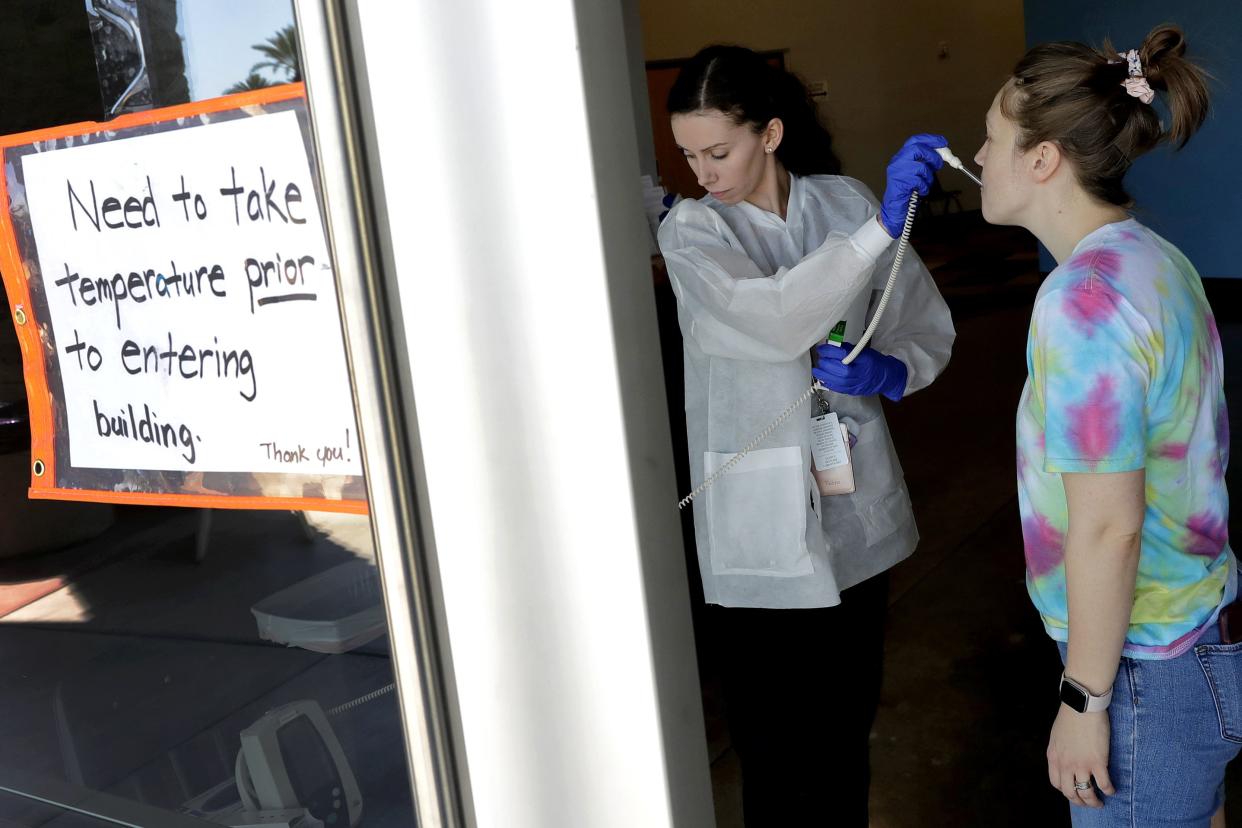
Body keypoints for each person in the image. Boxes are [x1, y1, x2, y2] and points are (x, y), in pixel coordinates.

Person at [657, 44, 955, 826]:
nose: (702, 172)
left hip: (852, 501)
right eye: (690, 155)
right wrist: (877, 233)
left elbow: (921, 321)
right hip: (758, 526)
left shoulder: (844, 203)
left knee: (844, 733)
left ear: (772, 133)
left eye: (718, 151)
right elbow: (775, 317)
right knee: (773, 747)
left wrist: (891, 374)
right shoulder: (692, 233)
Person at [974, 24, 1239, 827]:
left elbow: (1105, 528)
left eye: (991, 139)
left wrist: (1083, 699)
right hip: (1192, 637)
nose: (979, 158)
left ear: (1044, 158)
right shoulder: (1152, 257)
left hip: (1140, 669)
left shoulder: (1082, 302)